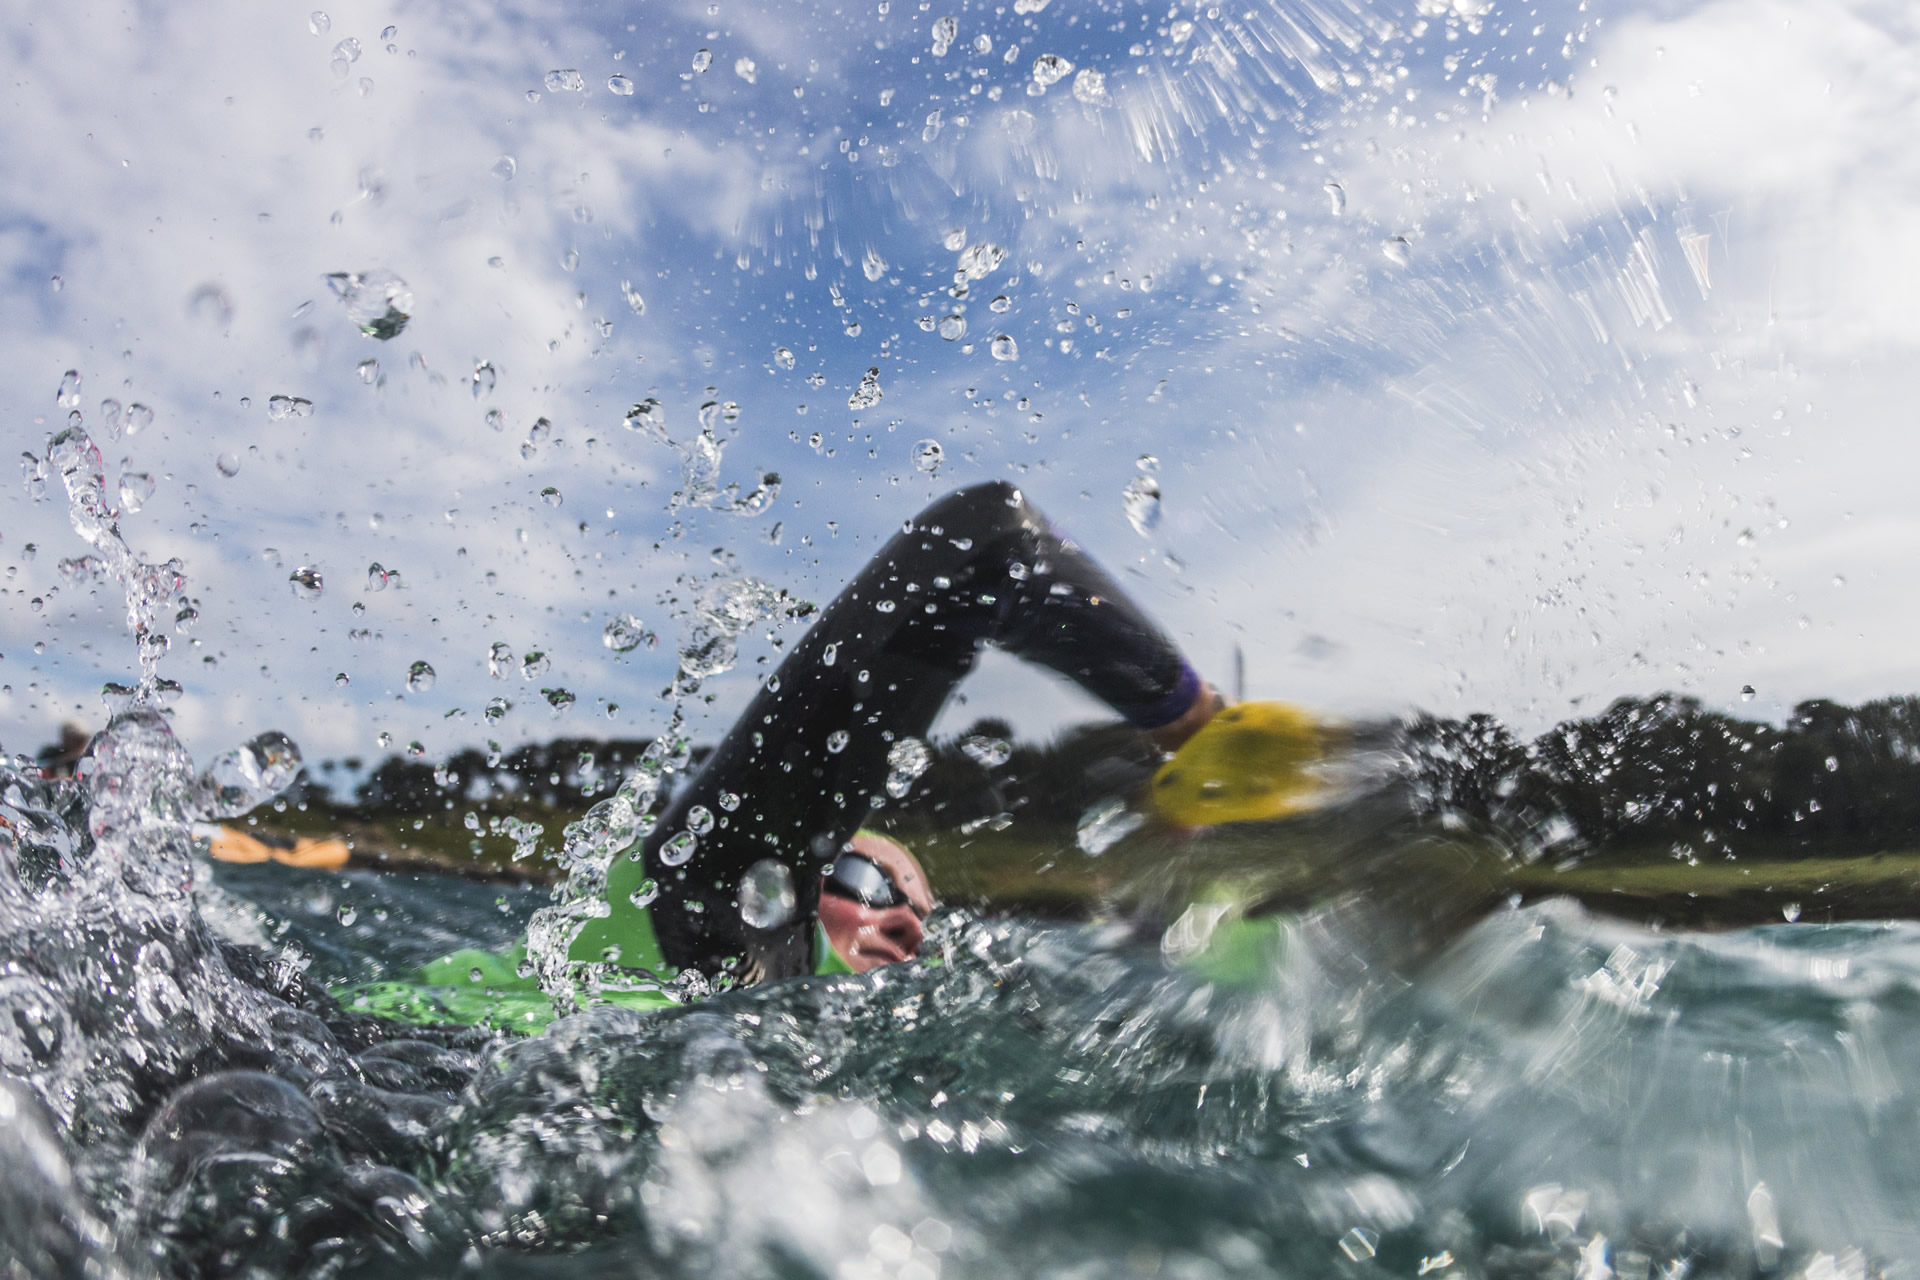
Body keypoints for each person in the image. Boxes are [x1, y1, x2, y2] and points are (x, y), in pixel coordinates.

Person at [348, 481, 1322, 1029]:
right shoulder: (709, 924)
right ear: (807, 877)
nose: (904, 919)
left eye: (921, 915)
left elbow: (1224, 994)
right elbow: (983, 543)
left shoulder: (813, 1055)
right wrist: (1197, 728)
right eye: (869, 876)